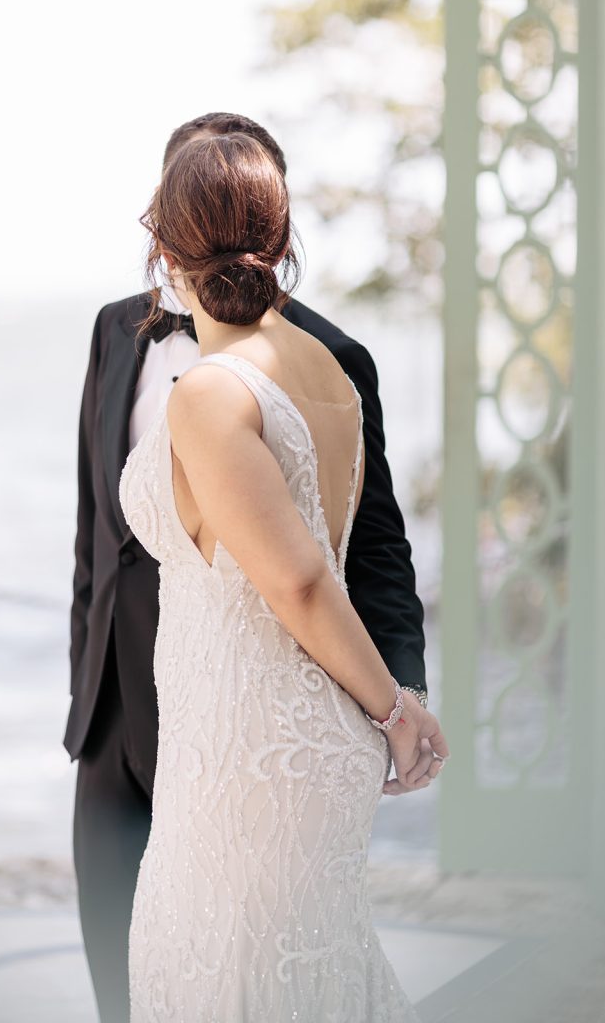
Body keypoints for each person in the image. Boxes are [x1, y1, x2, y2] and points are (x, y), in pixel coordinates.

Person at [65, 112, 436, 1023]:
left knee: (223, 975)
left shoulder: (287, 370)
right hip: (135, 707)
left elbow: (338, 563)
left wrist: (398, 700)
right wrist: (84, 687)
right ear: (280, 229)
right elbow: (93, 531)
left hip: (248, 729)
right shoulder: (132, 336)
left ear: (161, 236)